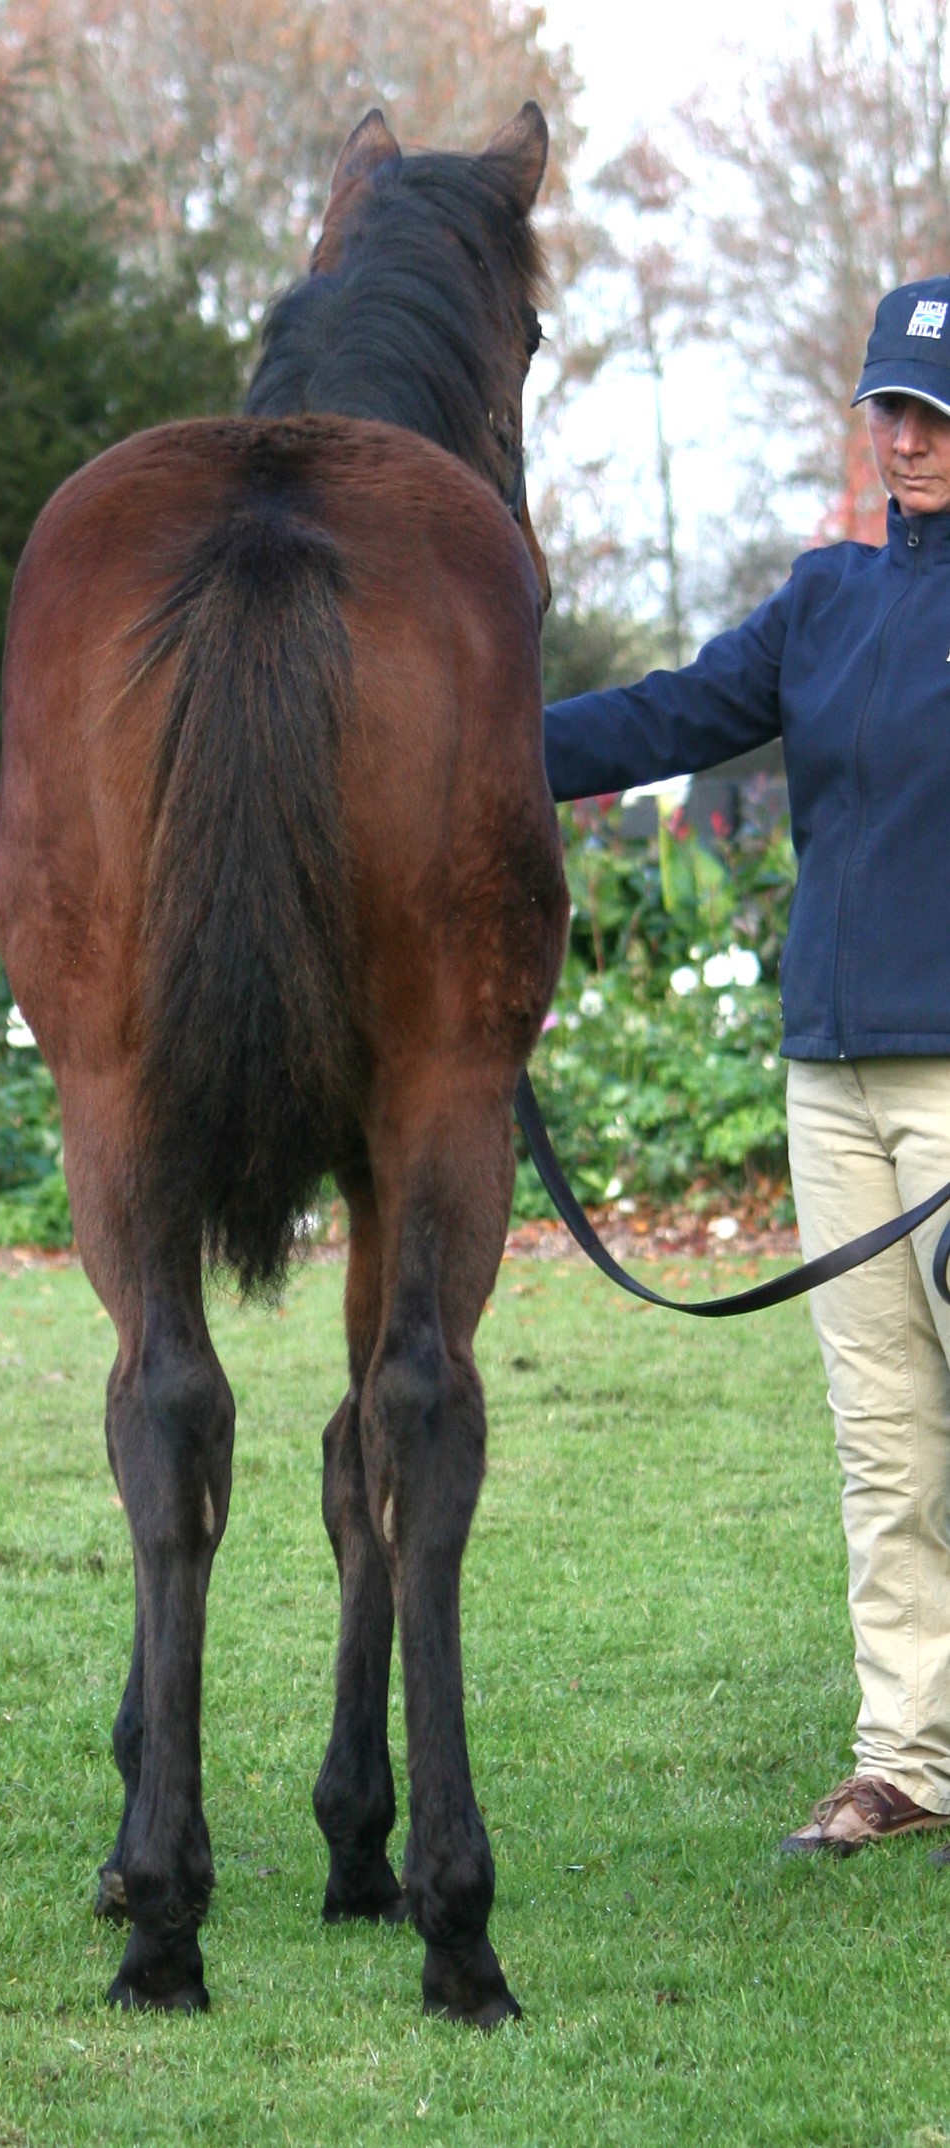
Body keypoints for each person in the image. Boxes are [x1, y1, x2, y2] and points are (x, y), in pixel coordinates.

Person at [541, 276, 950, 1856]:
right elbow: (669, 716)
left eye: (936, 414)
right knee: (884, 1437)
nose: (909, 439)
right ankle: (909, 1759)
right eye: (892, 409)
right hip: (830, 1080)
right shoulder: (824, 599)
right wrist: (464, 736)